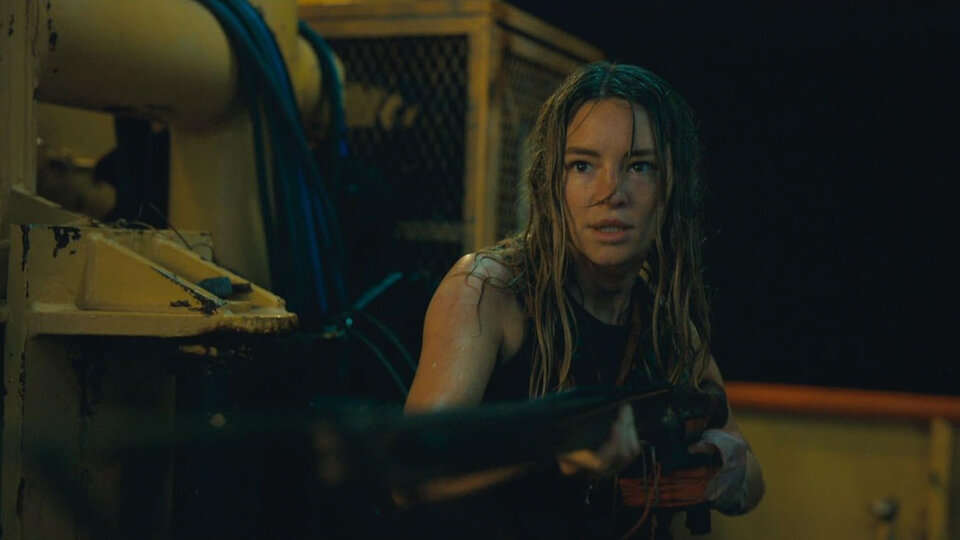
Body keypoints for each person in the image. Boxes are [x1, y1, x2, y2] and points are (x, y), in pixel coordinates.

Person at [402, 61, 764, 538]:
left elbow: (751, 479)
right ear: (551, 183)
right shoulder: (486, 290)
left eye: (638, 166)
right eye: (583, 165)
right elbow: (409, 472)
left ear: (669, 188)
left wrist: (721, 465)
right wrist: (551, 454)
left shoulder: (667, 325)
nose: (611, 192)